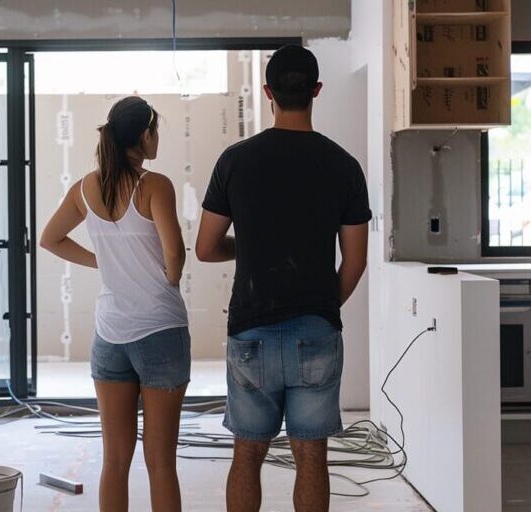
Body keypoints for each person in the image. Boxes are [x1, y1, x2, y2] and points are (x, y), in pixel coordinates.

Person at [195, 45, 372, 512]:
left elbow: (206, 248)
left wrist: (250, 245)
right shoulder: (344, 166)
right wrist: (322, 307)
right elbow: (355, 261)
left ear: (269, 93)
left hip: (250, 330)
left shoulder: (235, 160)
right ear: (316, 91)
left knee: (247, 455)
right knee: (312, 457)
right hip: (316, 330)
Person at [40, 96, 189, 512]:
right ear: (145, 135)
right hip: (160, 331)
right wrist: (170, 280)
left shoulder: (86, 188)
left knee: (115, 461)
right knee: (161, 463)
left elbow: (50, 239)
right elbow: (174, 252)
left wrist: (100, 261)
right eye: (156, 131)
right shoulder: (154, 185)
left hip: (110, 337)